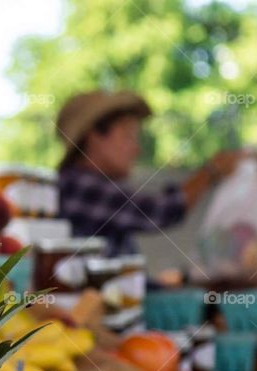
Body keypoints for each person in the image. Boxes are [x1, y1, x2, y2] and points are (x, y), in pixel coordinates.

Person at [55, 90, 241, 257]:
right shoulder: (77, 186)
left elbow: (125, 273)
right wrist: (211, 171)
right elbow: (159, 210)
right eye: (128, 136)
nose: (136, 150)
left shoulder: (89, 187)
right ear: (94, 137)